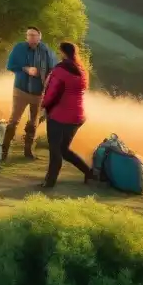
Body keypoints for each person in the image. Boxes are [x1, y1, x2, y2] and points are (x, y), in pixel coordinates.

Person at [39, 42, 93, 189]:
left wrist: (43, 107)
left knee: (55, 150)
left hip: (59, 116)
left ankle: (50, 182)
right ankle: (89, 173)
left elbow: (51, 93)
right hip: (77, 117)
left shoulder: (60, 70)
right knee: (64, 150)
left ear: (63, 53)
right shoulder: (81, 70)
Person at [2, 26, 56, 161]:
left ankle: (28, 151)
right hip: (20, 90)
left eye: (34, 35)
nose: (31, 38)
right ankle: (4, 150)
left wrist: (48, 81)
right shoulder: (19, 48)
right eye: (29, 35)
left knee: (33, 122)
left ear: (39, 37)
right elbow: (10, 65)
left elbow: (53, 69)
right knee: (13, 121)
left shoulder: (46, 51)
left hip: (38, 93)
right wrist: (25, 69)